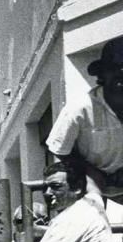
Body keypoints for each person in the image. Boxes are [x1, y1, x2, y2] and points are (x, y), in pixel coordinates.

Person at [46, 36, 123, 200]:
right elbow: (58, 148)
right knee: (91, 218)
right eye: (114, 69)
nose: (120, 75)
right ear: (102, 75)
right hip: (90, 177)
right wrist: (91, 172)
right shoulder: (79, 108)